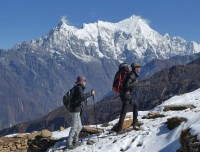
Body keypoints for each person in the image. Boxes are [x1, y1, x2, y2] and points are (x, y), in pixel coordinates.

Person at [65, 75, 95, 150]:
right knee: (75, 127)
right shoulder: (79, 88)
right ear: (81, 82)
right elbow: (82, 97)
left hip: (77, 109)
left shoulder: (78, 88)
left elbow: (78, 98)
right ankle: (69, 143)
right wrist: (90, 94)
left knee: (79, 127)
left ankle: (75, 140)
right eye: (84, 81)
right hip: (75, 110)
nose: (85, 82)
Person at [116, 63, 142, 134]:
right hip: (126, 95)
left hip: (125, 95)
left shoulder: (131, 74)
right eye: (139, 67)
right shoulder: (132, 75)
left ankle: (135, 123)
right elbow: (127, 85)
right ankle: (119, 129)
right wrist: (135, 83)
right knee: (124, 112)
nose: (140, 69)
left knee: (135, 105)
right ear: (135, 68)